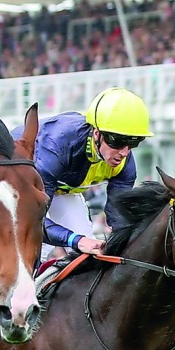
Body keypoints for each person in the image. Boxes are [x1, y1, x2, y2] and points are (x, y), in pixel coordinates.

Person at [14, 87, 153, 260]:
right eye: (118, 142)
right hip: (19, 184)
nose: (124, 152)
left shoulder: (124, 164)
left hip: (57, 189)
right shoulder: (57, 146)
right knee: (34, 251)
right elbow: (33, 220)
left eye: (134, 143)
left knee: (90, 254)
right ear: (96, 134)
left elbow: (119, 220)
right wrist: (75, 240)